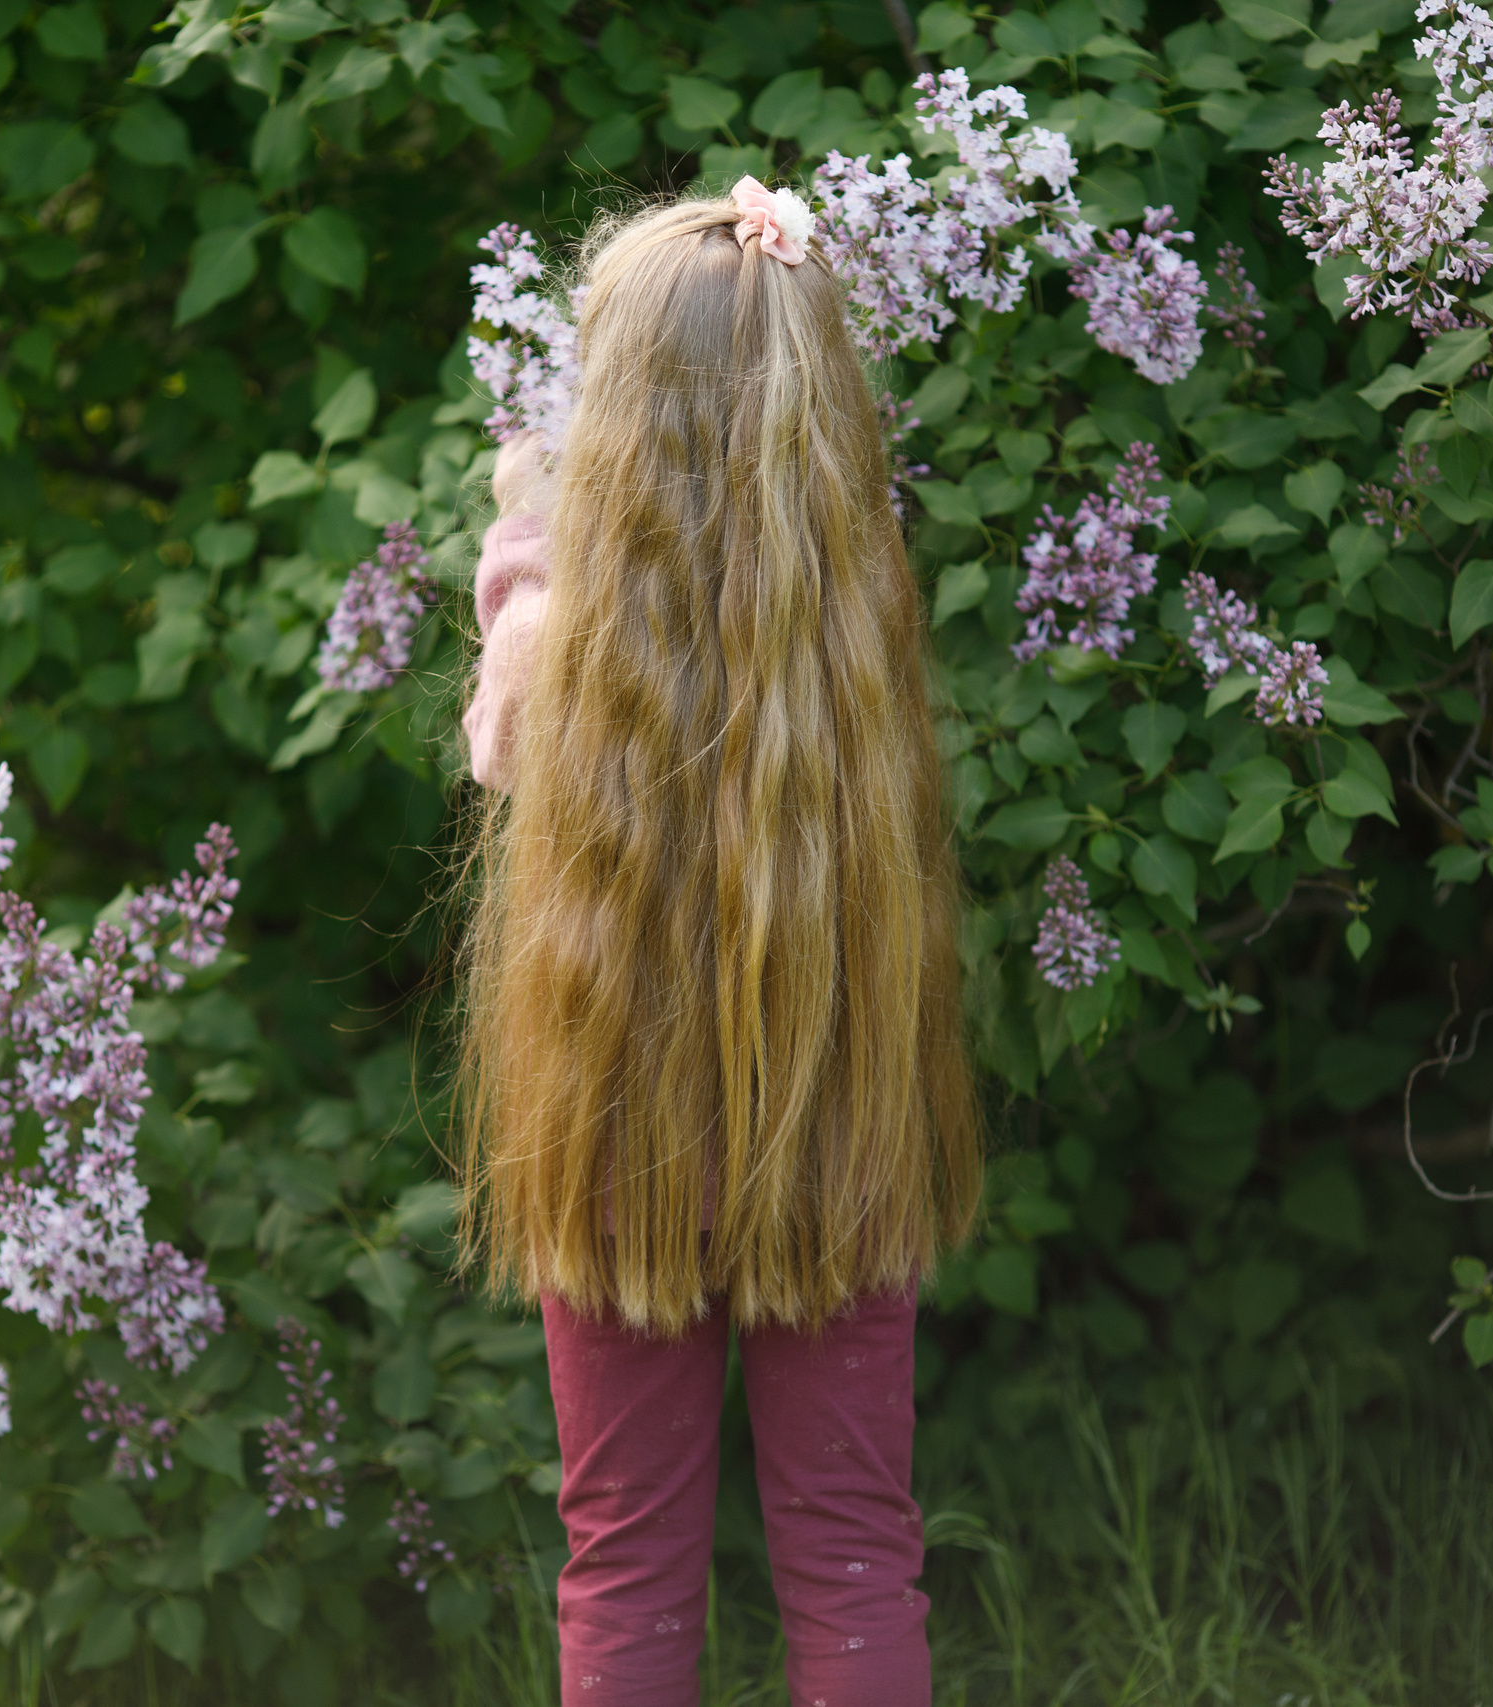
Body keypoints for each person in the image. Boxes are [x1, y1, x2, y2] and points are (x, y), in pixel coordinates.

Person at [458, 177, 982, 1707]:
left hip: (614, 1121)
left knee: (619, 1555)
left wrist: (523, 533)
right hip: (831, 1106)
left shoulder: (559, 627)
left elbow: (501, 740)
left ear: (618, 417)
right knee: (855, 1547)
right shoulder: (853, 603)